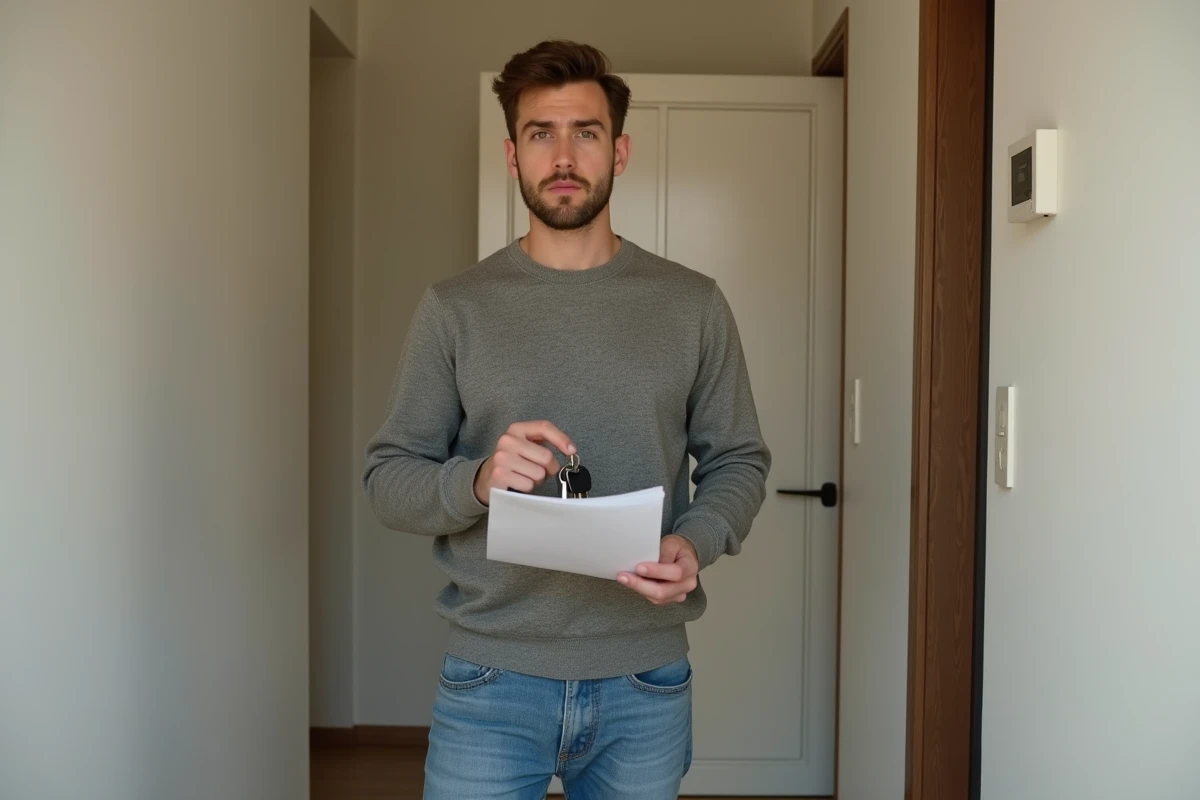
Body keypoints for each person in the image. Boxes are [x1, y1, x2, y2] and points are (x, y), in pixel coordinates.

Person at [362, 39, 771, 800]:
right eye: (539, 133)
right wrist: (479, 479)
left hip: (644, 678)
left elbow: (740, 459)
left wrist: (697, 540)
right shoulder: (456, 307)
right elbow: (388, 479)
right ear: (512, 154)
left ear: (618, 151)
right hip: (491, 678)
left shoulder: (692, 304)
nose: (562, 155)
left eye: (583, 132)